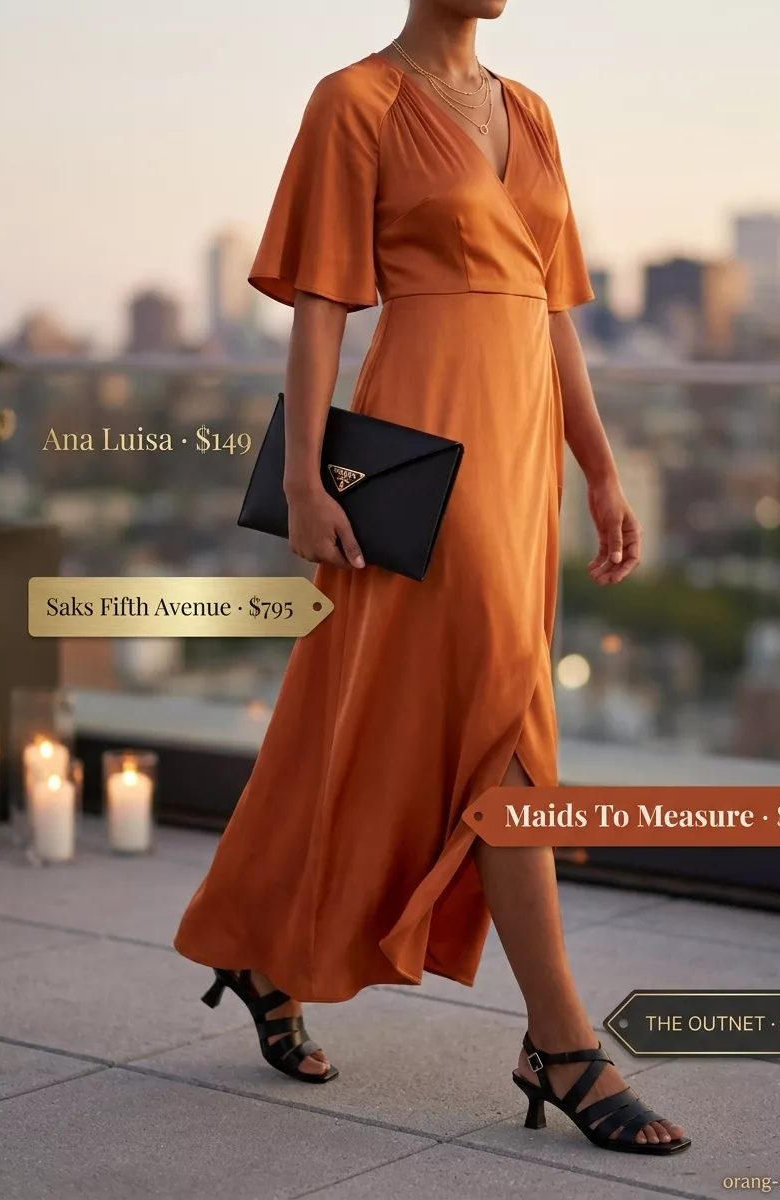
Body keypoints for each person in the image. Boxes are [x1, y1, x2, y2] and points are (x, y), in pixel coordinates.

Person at [174, 0, 690, 1155]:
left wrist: (599, 468)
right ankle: (561, 1041)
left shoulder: (532, 113)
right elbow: (320, 303)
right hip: (422, 442)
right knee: (504, 713)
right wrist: (305, 479)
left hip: (520, 457)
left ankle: (256, 945)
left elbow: (552, 311)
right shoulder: (353, 101)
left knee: (368, 715)